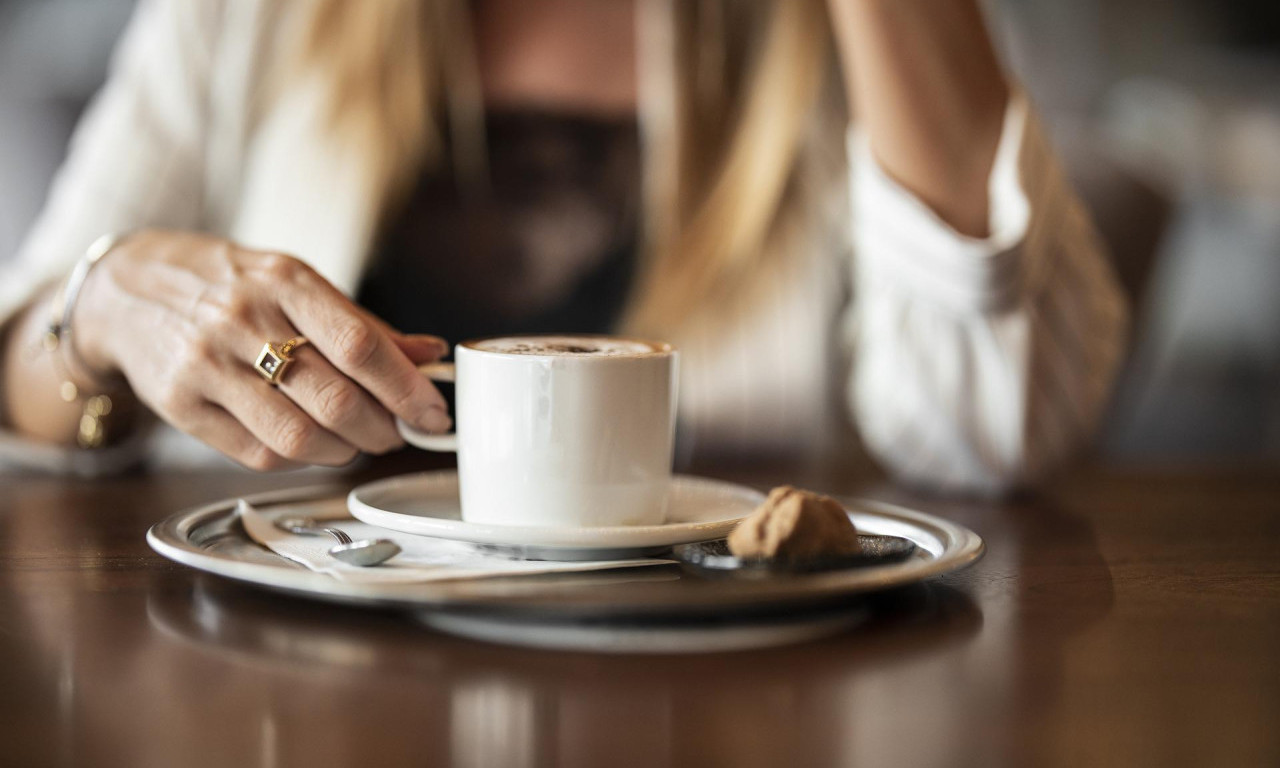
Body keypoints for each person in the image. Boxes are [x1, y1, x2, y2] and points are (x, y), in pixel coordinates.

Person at [0, 0, 1127, 493]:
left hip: (740, 687)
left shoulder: (826, 34)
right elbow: (23, 382)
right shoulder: (256, 12)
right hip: (279, 673)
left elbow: (1002, 426)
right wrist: (101, 306)